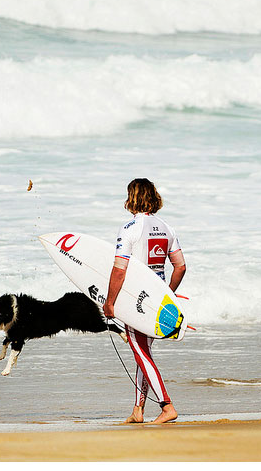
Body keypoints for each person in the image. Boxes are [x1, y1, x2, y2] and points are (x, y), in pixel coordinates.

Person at [103, 178, 186, 424]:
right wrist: (167, 295)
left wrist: (110, 303)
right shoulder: (166, 228)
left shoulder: (130, 228)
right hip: (156, 300)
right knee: (144, 352)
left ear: (132, 198)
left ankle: (167, 406)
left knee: (140, 351)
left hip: (135, 299)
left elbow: (119, 269)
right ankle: (138, 410)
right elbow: (180, 267)